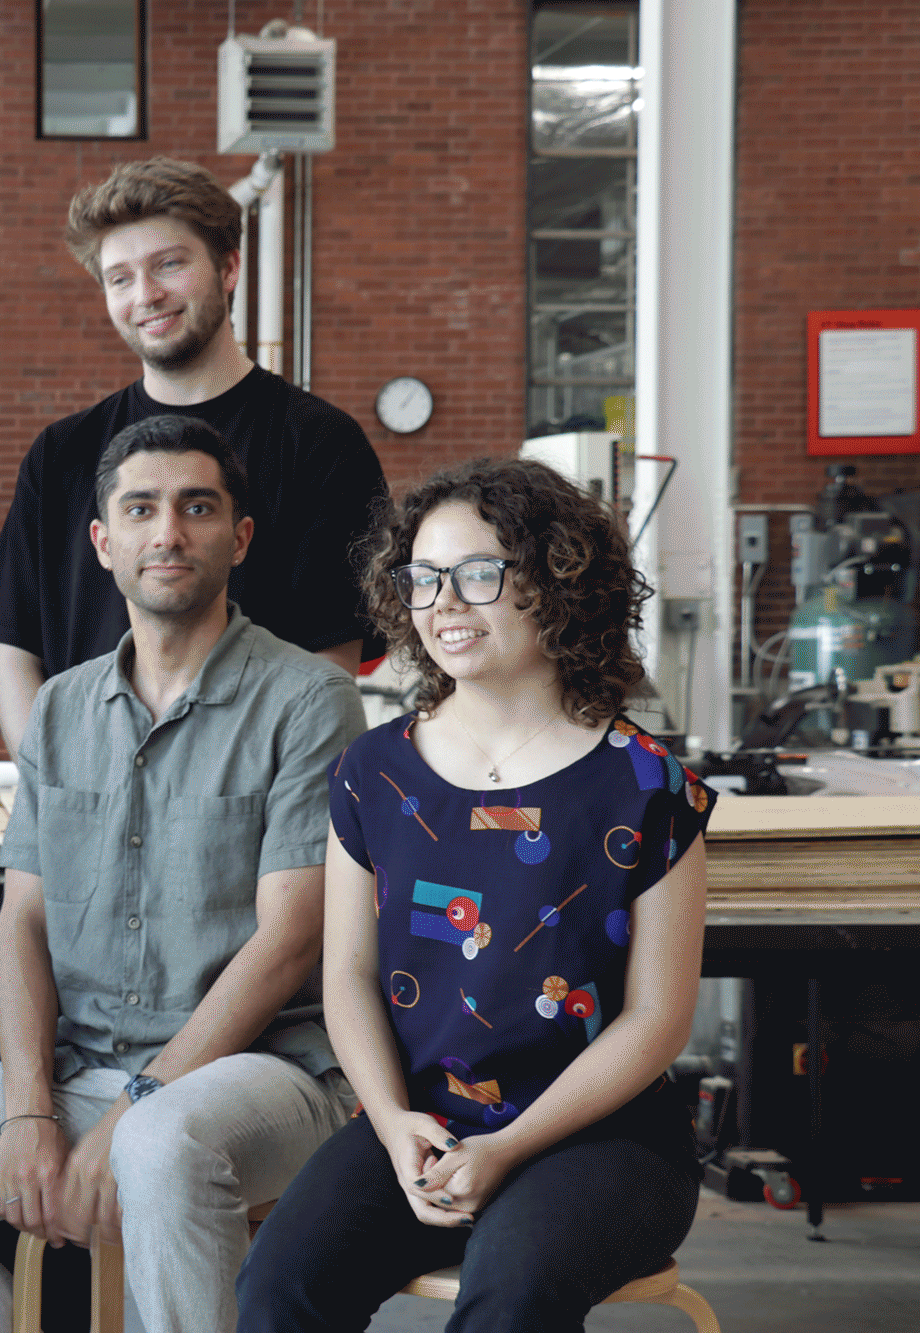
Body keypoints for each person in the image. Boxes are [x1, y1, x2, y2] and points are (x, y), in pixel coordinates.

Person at [0, 415, 366, 1333]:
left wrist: (134, 1110)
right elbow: (23, 920)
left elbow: (289, 941)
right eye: (142, 509)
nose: (169, 532)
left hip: (266, 1073)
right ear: (104, 543)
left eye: (197, 508)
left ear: (238, 539)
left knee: (161, 1147)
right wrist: (29, 1109)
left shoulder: (308, 700)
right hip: (83, 1066)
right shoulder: (64, 708)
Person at [235, 457, 714, 1333]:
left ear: (559, 579)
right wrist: (390, 1121)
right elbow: (344, 973)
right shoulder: (371, 773)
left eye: (480, 573)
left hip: (606, 1134)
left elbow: (657, 1019)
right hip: (422, 1119)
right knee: (276, 1288)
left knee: (513, 1294)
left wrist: (508, 1147)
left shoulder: (646, 784)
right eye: (424, 577)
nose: (445, 601)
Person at [0, 156, 388, 757]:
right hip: (91, 802)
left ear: (228, 268)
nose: (146, 295)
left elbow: (331, 659)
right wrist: (60, 788)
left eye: (169, 265)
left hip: (249, 806)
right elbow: (14, 651)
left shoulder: (321, 444)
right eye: (120, 278)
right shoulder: (62, 454)